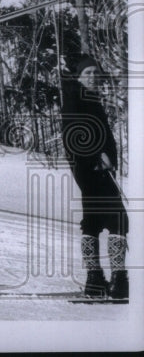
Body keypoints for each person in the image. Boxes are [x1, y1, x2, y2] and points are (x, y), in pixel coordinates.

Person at [59, 54, 128, 300]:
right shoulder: (73, 97)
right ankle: (111, 279)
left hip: (97, 166)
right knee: (117, 217)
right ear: (78, 77)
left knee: (96, 219)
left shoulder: (90, 97)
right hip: (89, 167)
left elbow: (103, 133)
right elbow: (73, 134)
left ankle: (98, 280)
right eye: (87, 73)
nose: (93, 77)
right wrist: (97, 155)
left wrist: (110, 157)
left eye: (95, 73)